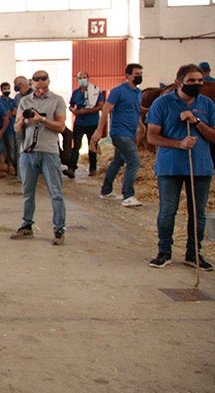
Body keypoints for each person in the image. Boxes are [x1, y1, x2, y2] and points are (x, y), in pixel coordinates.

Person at [145, 64, 215, 270]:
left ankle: (193, 254)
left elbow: (213, 136)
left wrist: (197, 121)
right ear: (179, 82)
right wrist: (179, 144)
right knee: (168, 210)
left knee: (198, 212)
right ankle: (164, 251)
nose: (197, 85)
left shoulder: (207, 105)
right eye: (192, 81)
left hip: (200, 165)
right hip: (170, 166)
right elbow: (152, 137)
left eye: (200, 81)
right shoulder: (162, 104)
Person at [11, 70, 68, 245]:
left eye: (44, 87)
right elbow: (16, 128)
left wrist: (42, 120)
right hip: (28, 152)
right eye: (38, 88)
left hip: (49, 151)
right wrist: (22, 120)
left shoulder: (57, 100)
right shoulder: (25, 101)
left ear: (48, 83)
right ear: (32, 85)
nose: (41, 91)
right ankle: (27, 226)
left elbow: (61, 126)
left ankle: (59, 230)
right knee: (27, 192)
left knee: (55, 192)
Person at [91, 64, 144, 207]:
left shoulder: (139, 93)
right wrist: (98, 131)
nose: (139, 76)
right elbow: (106, 110)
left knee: (118, 161)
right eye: (136, 74)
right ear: (127, 75)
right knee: (134, 161)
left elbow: (136, 109)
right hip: (120, 133)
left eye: (140, 73)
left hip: (131, 133)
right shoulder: (118, 91)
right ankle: (128, 195)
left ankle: (106, 191)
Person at [67, 71, 104, 177]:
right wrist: (73, 110)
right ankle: (72, 168)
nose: (82, 80)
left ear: (88, 78)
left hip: (92, 122)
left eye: (84, 77)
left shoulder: (96, 91)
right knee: (76, 146)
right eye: (80, 78)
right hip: (79, 123)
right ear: (77, 79)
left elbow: (101, 106)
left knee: (92, 145)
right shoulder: (76, 93)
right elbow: (71, 105)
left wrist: (86, 111)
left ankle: (93, 168)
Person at [0, 82, 19, 178]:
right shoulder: (0, 103)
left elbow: (16, 111)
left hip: (15, 127)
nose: (7, 90)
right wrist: (11, 113)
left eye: (8, 88)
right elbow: (6, 115)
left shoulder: (12, 100)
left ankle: (17, 168)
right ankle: (11, 165)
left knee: (17, 148)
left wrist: (12, 113)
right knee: (11, 148)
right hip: (7, 129)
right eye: (5, 88)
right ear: (1, 90)